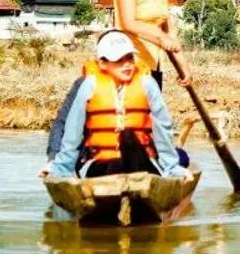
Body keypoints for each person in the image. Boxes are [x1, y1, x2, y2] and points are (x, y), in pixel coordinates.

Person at [44, 32, 190, 180]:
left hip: (141, 163)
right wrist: (59, 166)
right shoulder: (89, 85)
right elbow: (72, 130)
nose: (126, 64)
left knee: (128, 137)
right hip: (102, 164)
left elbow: (163, 128)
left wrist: (171, 168)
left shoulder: (147, 84)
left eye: (130, 58)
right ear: (103, 63)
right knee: (119, 150)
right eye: (119, 60)